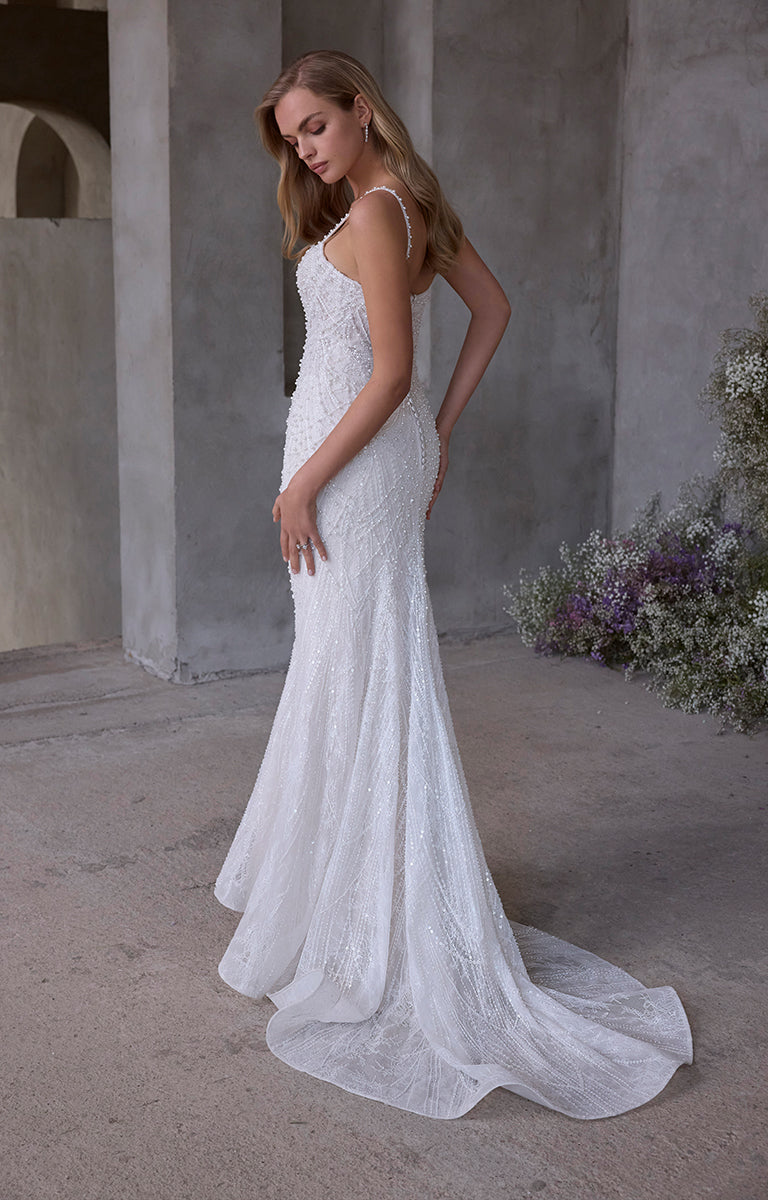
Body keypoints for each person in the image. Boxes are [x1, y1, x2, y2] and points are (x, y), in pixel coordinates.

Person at [214, 50, 692, 1120]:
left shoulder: (381, 215)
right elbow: (491, 310)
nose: (305, 150)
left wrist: (317, 481)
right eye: (293, 139)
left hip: (347, 476)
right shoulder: (397, 203)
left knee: (361, 675)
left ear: (361, 111)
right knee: (350, 675)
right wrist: (431, 439)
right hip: (364, 469)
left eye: (315, 129)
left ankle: (369, 926)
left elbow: (389, 371)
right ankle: (347, 907)